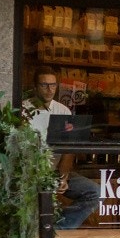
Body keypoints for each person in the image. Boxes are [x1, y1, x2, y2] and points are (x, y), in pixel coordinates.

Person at [21, 70, 101, 229]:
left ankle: (59, 228)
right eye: (44, 85)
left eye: (53, 85)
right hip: (33, 173)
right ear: (35, 87)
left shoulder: (63, 110)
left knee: (94, 192)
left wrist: (63, 177)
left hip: (56, 171)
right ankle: (44, 231)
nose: (50, 89)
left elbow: (68, 148)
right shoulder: (24, 110)